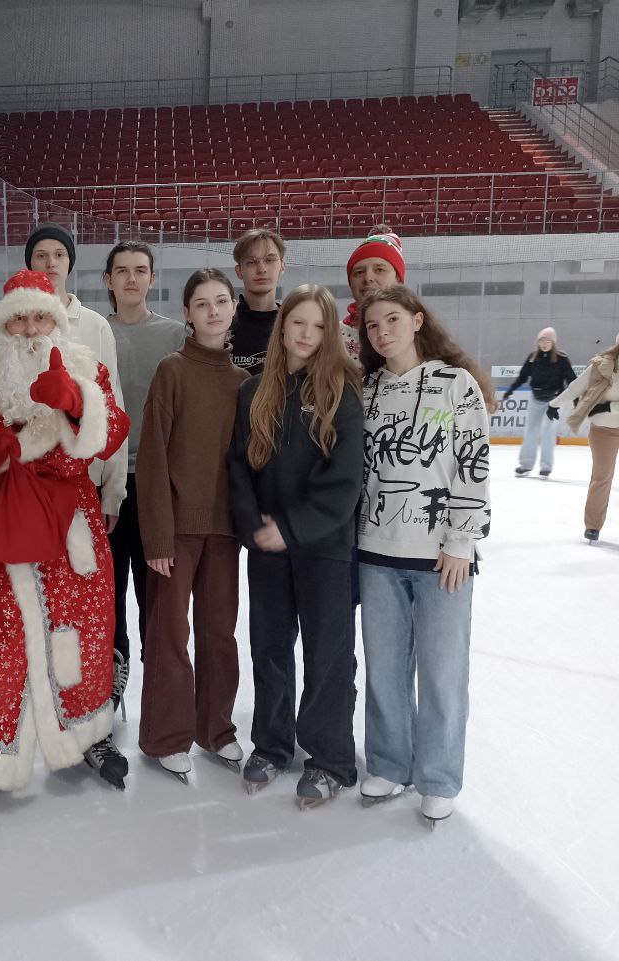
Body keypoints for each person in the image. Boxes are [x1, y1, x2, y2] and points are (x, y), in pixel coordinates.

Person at [0, 269, 130, 828]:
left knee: (86, 631)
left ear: (56, 320)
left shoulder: (85, 365)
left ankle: (87, 732)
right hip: (14, 521)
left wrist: (76, 402)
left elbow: (113, 431)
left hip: (73, 524)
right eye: (18, 319)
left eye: (41, 316)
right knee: (1, 637)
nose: (30, 328)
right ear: (2, 326)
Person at [355, 285, 493, 827]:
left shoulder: (455, 384)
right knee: (385, 670)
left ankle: (437, 776)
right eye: (372, 325)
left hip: (442, 558)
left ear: (416, 321)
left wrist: (462, 541)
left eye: (392, 319)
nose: (381, 332)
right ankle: (390, 763)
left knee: (442, 673)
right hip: (377, 552)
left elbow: (473, 464)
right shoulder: (367, 390)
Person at [227, 284, 363, 807]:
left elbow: (345, 480)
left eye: (319, 326)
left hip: (324, 545)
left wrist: (294, 526)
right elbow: (239, 465)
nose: (306, 334)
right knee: (269, 648)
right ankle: (272, 745)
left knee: (327, 653)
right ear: (282, 325)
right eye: (298, 322)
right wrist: (253, 527)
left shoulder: (341, 392)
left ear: (330, 334)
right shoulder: (253, 391)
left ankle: (330, 758)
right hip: (267, 546)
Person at [136, 268, 249, 784]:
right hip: (176, 531)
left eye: (221, 301)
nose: (212, 311)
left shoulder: (243, 383)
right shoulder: (172, 371)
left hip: (224, 531)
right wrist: (158, 536)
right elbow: (154, 458)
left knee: (219, 632)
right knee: (170, 633)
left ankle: (216, 729)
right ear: (187, 313)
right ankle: (166, 736)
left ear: (233, 308)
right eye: (201, 303)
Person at [101, 240, 182, 714]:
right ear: (108, 279)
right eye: (122, 270)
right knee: (108, 593)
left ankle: (160, 691)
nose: (131, 278)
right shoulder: (95, 332)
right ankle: (110, 683)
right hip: (106, 485)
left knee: (157, 594)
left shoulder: (174, 336)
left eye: (140, 270)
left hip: (158, 485)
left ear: (152, 278)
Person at [25, 222, 126, 531]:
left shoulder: (95, 326)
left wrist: (113, 492)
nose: (51, 262)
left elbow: (113, 408)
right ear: (30, 263)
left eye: (59, 254)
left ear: (69, 262)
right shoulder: (16, 325)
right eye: (41, 255)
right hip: (27, 481)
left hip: (84, 481)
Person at [548, 318, 619, 542]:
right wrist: (554, 404)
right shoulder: (601, 365)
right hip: (604, 431)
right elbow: (576, 387)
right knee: (601, 477)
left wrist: (609, 407)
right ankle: (593, 525)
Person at [503, 326, 576, 478]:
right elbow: (522, 377)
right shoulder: (532, 358)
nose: (544, 343)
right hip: (535, 398)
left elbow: (571, 380)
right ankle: (525, 465)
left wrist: (575, 399)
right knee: (531, 431)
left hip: (554, 400)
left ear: (553, 342)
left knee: (548, 432)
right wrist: (511, 389)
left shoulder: (562, 359)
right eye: (541, 340)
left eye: (548, 340)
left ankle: (545, 467)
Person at [342, 226, 405, 366]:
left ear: (398, 279)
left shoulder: (419, 331)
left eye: (379, 270)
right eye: (359, 272)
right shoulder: (332, 336)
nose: (368, 278)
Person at [229, 228, 287, 376]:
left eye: (269, 260)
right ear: (239, 271)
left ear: (282, 267)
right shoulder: (223, 323)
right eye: (251, 262)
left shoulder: (290, 325)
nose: (261, 269)